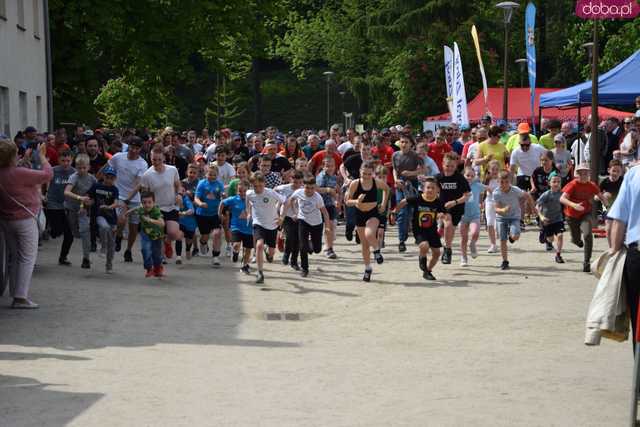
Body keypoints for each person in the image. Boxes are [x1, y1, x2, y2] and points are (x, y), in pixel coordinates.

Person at [0, 139, 52, 309]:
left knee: (15, 257)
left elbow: (13, 173)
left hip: (7, 220)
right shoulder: (19, 173)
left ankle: (16, 293)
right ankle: (21, 297)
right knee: (28, 257)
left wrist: (24, 160)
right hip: (25, 219)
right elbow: (47, 174)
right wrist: (42, 157)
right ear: (12, 156)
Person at [607, 164, 640, 344]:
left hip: (636, 253)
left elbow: (619, 219)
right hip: (636, 253)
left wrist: (614, 251)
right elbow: (619, 218)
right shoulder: (633, 174)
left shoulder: (634, 174)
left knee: (637, 317)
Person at [345, 161, 389, 282]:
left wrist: (384, 204)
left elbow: (387, 189)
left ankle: (377, 251)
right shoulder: (355, 184)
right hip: (359, 214)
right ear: (360, 172)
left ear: (373, 174)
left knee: (369, 234)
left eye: (369, 174)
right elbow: (347, 201)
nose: (366, 176)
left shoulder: (376, 182)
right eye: (364, 173)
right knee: (364, 244)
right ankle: (368, 268)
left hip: (373, 213)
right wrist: (356, 202)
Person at [139, 145, 184, 261]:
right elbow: (144, 195)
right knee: (158, 236)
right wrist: (146, 209)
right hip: (156, 209)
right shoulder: (146, 176)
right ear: (150, 158)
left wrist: (179, 194)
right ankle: (161, 256)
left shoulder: (172, 170)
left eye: (159, 159)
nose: (156, 162)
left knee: (173, 233)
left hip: (172, 206)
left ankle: (168, 243)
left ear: (164, 158)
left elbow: (178, 185)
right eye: (154, 159)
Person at [559, 163, 605, 273]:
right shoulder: (572, 184)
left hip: (585, 214)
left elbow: (601, 196)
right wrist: (574, 205)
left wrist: (607, 204)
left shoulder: (591, 185)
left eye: (586, 173)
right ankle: (576, 240)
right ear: (577, 174)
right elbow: (562, 199)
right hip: (571, 215)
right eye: (581, 173)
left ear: (588, 174)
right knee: (576, 240)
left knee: (588, 234)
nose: (583, 175)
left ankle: (586, 262)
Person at [109, 136, 148, 262]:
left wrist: (128, 199)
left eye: (137, 148)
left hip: (134, 198)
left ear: (140, 149)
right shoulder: (118, 157)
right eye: (132, 147)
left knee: (133, 228)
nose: (134, 150)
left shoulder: (142, 163)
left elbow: (138, 184)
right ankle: (119, 236)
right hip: (119, 195)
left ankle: (128, 250)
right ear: (128, 146)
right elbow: (107, 169)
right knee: (121, 220)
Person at [397, 177, 444, 280]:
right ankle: (422, 259)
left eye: (433, 188)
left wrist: (441, 216)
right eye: (428, 187)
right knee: (424, 246)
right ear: (423, 189)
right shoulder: (418, 198)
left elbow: (442, 212)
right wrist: (395, 211)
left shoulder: (438, 201)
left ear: (437, 190)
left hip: (432, 230)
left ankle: (428, 271)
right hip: (419, 229)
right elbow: (404, 201)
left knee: (437, 253)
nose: (430, 190)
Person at [246, 172, 287, 284]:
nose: (258, 188)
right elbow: (248, 203)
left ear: (264, 184)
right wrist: (249, 213)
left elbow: (286, 201)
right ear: (251, 185)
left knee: (272, 253)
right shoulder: (249, 193)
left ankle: (268, 253)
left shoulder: (271, 193)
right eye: (255, 186)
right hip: (258, 222)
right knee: (259, 245)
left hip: (272, 224)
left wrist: (282, 217)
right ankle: (260, 273)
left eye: (260, 185)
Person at [286, 176, 331, 277]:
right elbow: (290, 201)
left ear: (314, 187)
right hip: (303, 221)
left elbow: (325, 213)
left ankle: (311, 245)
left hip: (316, 223)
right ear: (303, 186)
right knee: (302, 246)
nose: (309, 190)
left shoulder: (317, 197)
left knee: (317, 249)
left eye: (312, 188)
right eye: (307, 188)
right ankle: (305, 268)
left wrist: (327, 227)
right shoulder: (299, 192)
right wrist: (294, 212)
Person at [493, 170, 536, 270]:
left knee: (516, 236)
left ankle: (512, 237)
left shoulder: (515, 190)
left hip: (514, 217)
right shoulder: (496, 193)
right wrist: (502, 210)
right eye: (501, 182)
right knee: (503, 240)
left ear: (510, 182)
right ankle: (505, 261)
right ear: (498, 182)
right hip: (501, 218)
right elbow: (496, 208)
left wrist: (533, 209)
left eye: (506, 182)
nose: (504, 185)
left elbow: (527, 195)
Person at [436, 152, 471, 264]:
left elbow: (467, 196)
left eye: (452, 166)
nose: (449, 168)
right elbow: (434, 192)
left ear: (456, 166)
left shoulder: (460, 178)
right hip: (444, 207)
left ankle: (446, 244)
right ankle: (447, 249)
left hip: (457, 207)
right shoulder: (438, 177)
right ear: (442, 164)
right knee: (448, 224)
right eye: (447, 166)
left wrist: (455, 202)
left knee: (450, 229)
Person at [63, 154, 97, 269]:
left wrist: (90, 202)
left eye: (84, 167)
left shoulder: (92, 179)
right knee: (73, 233)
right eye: (79, 168)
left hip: (84, 210)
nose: (82, 170)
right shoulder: (74, 177)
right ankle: (63, 256)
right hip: (71, 208)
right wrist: (79, 198)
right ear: (76, 167)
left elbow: (95, 195)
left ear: (89, 167)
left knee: (85, 231)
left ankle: (86, 258)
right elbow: (66, 192)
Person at [392, 135, 424, 253]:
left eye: (406, 142)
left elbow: (423, 169)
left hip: (412, 184)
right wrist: (396, 179)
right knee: (402, 211)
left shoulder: (415, 155)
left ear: (411, 144)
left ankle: (417, 236)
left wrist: (411, 173)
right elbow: (394, 169)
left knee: (415, 211)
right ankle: (401, 240)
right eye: (402, 142)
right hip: (400, 185)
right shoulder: (395, 155)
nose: (404, 144)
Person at [87, 166, 121, 273]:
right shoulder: (96, 186)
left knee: (112, 244)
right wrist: (86, 205)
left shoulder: (114, 189)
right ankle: (102, 246)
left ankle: (109, 265)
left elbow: (116, 203)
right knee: (104, 227)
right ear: (103, 176)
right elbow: (89, 198)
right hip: (99, 215)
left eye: (111, 178)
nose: (109, 180)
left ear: (115, 179)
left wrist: (108, 207)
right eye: (107, 177)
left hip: (112, 218)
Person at [45, 150, 76, 266]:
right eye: (63, 161)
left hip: (66, 205)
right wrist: (46, 193)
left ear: (72, 161)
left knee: (69, 235)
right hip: (53, 204)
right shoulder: (53, 170)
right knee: (56, 231)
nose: (66, 163)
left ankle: (63, 257)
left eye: (68, 161)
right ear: (58, 160)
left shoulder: (74, 173)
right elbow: (46, 181)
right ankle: (49, 229)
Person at [126, 191, 165, 277]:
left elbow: (162, 223)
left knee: (156, 254)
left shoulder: (156, 210)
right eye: (144, 202)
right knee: (145, 250)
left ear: (154, 202)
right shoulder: (141, 208)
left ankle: (158, 268)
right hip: (145, 233)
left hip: (156, 236)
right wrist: (129, 211)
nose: (147, 205)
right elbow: (137, 208)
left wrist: (150, 220)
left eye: (149, 202)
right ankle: (149, 268)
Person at [220, 179, 253, 274]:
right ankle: (235, 252)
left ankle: (245, 266)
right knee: (236, 244)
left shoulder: (252, 199)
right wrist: (220, 214)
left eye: (244, 191)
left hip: (249, 228)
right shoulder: (233, 199)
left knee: (248, 249)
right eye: (240, 191)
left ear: (249, 190)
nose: (242, 193)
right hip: (236, 226)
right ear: (236, 190)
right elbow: (222, 203)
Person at [194, 164, 224, 267]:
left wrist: (224, 196)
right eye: (210, 174)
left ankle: (215, 257)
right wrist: (200, 204)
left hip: (215, 214)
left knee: (217, 233)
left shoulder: (219, 184)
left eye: (214, 175)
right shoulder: (202, 184)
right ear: (206, 174)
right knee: (205, 236)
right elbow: (196, 198)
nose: (212, 176)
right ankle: (203, 243)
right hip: (202, 214)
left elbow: (222, 197)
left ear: (217, 175)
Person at [275, 172, 304, 271]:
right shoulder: (284, 188)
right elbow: (274, 190)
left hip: (299, 217)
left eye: (300, 182)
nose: (297, 185)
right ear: (291, 179)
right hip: (286, 216)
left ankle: (294, 261)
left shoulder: (303, 190)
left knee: (297, 239)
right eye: (295, 182)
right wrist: (277, 205)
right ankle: (286, 254)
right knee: (290, 236)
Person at [536, 172, 566, 264]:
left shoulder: (562, 194)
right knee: (550, 239)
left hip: (558, 219)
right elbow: (537, 206)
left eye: (558, 182)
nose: (556, 184)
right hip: (547, 220)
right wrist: (541, 217)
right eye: (554, 182)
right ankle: (544, 233)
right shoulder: (546, 194)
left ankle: (558, 255)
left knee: (560, 236)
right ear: (549, 183)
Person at [459, 167, 484, 266]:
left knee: (475, 233)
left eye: (472, 176)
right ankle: (463, 257)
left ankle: (472, 243)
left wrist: (485, 200)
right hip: (462, 216)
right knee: (463, 238)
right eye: (468, 175)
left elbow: (488, 188)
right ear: (463, 176)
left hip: (475, 215)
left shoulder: (477, 185)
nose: (470, 177)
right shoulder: (459, 186)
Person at [316, 157, 339, 259]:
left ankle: (329, 248)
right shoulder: (321, 177)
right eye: (327, 166)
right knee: (322, 228)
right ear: (323, 166)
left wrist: (338, 199)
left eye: (332, 166)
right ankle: (326, 247)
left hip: (330, 205)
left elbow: (336, 189)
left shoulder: (334, 177)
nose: (330, 168)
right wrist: (328, 190)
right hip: (321, 206)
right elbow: (317, 189)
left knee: (331, 226)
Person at [599, 159, 624, 246]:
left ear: (621, 172)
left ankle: (619, 245)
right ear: (609, 170)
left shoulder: (623, 181)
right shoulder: (604, 182)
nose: (615, 173)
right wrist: (603, 196)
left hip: (620, 208)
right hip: (607, 208)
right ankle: (611, 248)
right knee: (608, 229)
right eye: (613, 170)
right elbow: (595, 197)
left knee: (619, 229)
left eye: (618, 171)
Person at [483, 160, 501, 253]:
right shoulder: (486, 179)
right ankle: (493, 245)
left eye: (496, 169)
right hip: (489, 202)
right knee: (490, 223)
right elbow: (482, 192)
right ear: (489, 170)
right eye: (493, 169)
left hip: (500, 203)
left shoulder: (501, 179)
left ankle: (501, 240)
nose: (495, 171)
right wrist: (481, 202)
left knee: (497, 224)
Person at [176, 192, 197, 265]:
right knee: (179, 236)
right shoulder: (174, 198)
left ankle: (188, 249)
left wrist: (183, 213)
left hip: (190, 223)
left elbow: (192, 210)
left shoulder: (187, 199)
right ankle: (178, 256)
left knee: (189, 240)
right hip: (180, 223)